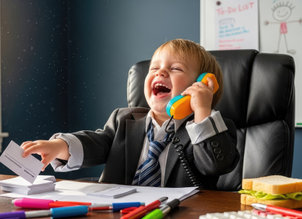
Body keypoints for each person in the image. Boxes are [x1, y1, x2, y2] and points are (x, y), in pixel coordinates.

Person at [21, 39, 239, 189]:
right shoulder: (124, 119)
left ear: (199, 85)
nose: (160, 72)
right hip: (119, 216)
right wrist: (60, 146)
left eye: (176, 69)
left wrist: (202, 110)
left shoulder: (213, 127)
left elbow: (216, 165)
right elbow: (98, 142)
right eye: (154, 68)